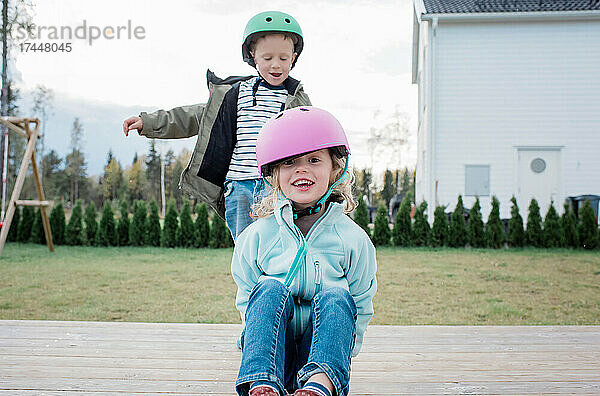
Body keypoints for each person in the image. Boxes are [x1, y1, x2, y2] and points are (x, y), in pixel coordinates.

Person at [122, 11, 311, 241]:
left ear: (293, 58)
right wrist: (149, 122)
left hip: (278, 186)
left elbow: (316, 140)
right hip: (239, 187)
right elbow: (192, 116)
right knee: (245, 250)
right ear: (253, 56)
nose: (276, 65)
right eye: (267, 57)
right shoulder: (234, 94)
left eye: (283, 58)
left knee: (280, 246)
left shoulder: (296, 99)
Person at [231, 107, 377, 396]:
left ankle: (319, 386)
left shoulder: (352, 239)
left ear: (335, 169)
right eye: (289, 162)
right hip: (274, 353)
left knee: (338, 296)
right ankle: (261, 382)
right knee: (268, 288)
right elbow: (248, 298)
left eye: (314, 160)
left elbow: (360, 301)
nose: (302, 169)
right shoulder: (258, 236)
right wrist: (256, 346)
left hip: (323, 356)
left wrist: (342, 353)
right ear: (274, 174)